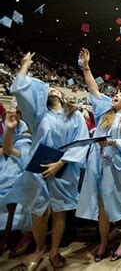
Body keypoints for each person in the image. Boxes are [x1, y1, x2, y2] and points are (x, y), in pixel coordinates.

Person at [10, 52, 90, 269]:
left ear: (64, 96)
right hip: (39, 167)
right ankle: (39, 248)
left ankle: (54, 251)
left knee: (59, 211)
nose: (53, 90)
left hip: (63, 168)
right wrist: (25, 65)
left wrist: (61, 163)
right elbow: (19, 89)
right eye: (50, 89)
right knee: (38, 211)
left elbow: (81, 143)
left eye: (56, 89)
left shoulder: (75, 116)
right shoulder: (38, 115)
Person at [75, 48, 121, 262]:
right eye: (116, 94)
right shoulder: (105, 113)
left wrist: (112, 142)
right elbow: (93, 89)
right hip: (99, 164)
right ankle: (103, 241)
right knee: (102, 203)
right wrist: (86, 66)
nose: (116, 95)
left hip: (118, 166)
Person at [0, 107, 32, 257]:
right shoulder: (13, 131)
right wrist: (9, 130)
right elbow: (7, 148)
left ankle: (24, 237)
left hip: (26, 165)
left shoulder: (27, 129)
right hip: (11, 163)